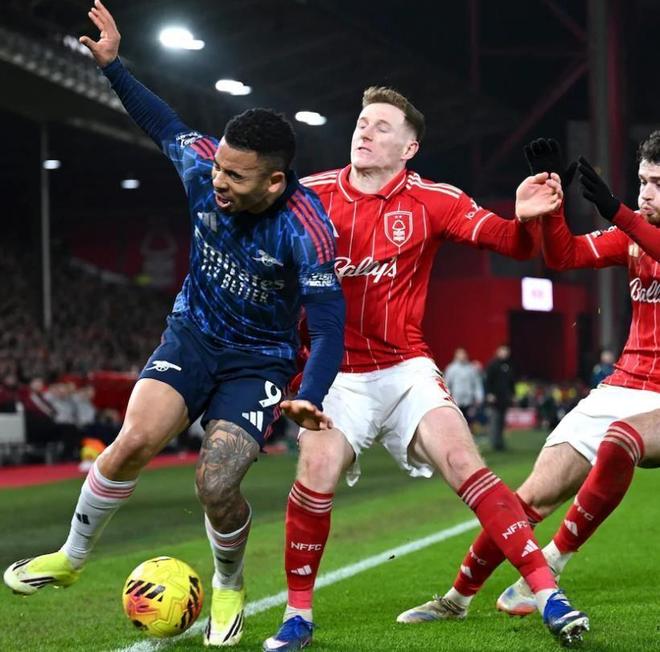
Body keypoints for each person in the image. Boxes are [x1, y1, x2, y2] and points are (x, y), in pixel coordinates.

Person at [3, 2, 345, 648]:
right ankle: (72, 558)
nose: (218, 181)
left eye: (235, 176)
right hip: (192, 334)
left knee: (215, 482)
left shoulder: (306, 230)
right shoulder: (202, 164)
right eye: (218, 166)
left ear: (275, 181)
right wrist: (114, 66)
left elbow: (329, 328)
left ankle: (228, 582)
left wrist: (312, 393)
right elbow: (163, 122)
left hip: (258, 360)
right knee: (132, 440)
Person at [263, 90, 589, 651]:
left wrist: (527, 217)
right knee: (315, 470)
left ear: (409, 148)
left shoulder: (434, 200)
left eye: (381, 127)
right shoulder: (309, 195)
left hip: (405, 366)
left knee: (465, 462)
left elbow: (510, 244)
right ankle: (297, 617)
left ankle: (548, 594)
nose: (365, 132)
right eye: (362, 122)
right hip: (336, 373)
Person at [411, 134, 660, 630]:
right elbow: (564, 256)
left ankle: (550, 564)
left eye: (657, 183)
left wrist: (617, 212)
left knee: (621, 439)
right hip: (623, 385)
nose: (646, 193)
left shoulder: (634, 227)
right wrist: (553, 205)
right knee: (529, 497)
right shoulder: (634, 233)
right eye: (642, 181)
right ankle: (457, 598)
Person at [484, 344, 515, 451]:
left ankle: (500, 442)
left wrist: (512, 394)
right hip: (495, 397)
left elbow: (511, 382)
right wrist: (489, 394)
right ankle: (495, 443)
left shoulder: (508, 365)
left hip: (505, 398)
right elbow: (487, 381)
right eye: (503, 350)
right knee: (495, 420)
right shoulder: (492, 364)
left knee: (502, 421)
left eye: (506, 351)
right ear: (498, 351)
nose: (505, 353)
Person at [443, 347, 484, 427]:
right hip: (456, 401)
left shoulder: (471, 368)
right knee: (457, 423)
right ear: (456, 355)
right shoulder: (451, 368)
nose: (462, 356)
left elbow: (477, 384)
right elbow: (447, 384)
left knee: (468, 423)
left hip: (469, 401)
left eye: (463, 353)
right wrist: (447, 397)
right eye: (460, 354)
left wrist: (479, 397)